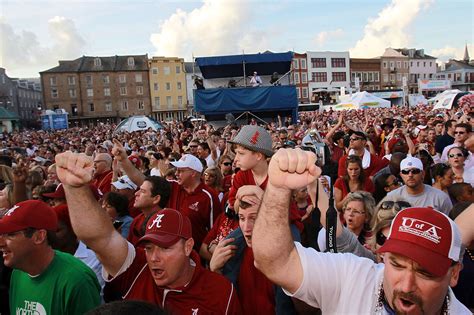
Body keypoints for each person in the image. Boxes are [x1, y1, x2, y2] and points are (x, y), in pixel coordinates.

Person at [251, 148, 470, 314]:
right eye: (396, 264)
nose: (406, 285)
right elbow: (274, 262)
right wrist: (278, 189)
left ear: (454, 273)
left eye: (425, 273)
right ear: (382, 254)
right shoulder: (351, 278)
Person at [54, 151, 242, 314]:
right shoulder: (137, 269)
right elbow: (101, 238)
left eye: (165, 248)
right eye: (149, 247)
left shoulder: (219, 291)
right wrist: (75, 188)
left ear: (188, 247)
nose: (154, 258)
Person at [0, 200, 101, 314]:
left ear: (39, 237)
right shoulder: (18, 272)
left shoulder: (77, 280)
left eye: (11, 235)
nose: (1, 243)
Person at [387, 156, 453, 215]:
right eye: (406, 172)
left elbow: (451, 224)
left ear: (423, 174)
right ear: (401, 175)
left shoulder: (440, 197)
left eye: (415, 171)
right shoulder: (391, 197)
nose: (410, 175)